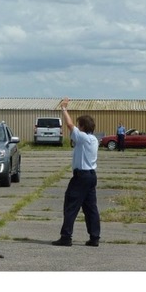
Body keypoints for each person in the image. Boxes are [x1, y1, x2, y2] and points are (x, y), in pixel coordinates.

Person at [53, 98, 101, 247]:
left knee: (71, 205)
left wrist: (64, 109)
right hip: (91, 176)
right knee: (90, 208)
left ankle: (66, 237)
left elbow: (69, 125)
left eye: (79, 125)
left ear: (82, 127)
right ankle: (94, 237)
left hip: (81, 176)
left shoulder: (83, 138)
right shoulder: (94, 139)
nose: (77, 127)